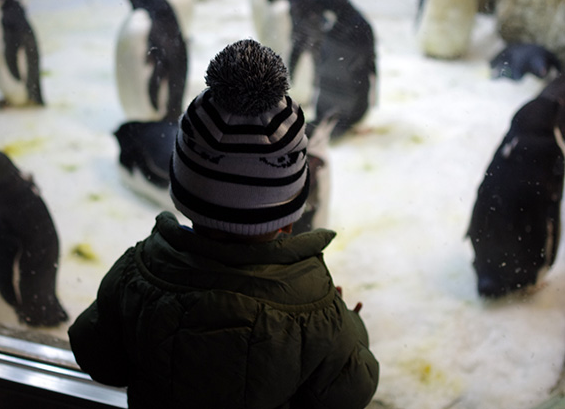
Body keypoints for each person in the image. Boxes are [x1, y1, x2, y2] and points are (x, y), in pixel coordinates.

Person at [68, 39, 379, 408]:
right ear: (292, 213)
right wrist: (346, 323)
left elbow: (97, 356)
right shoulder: (314, 306)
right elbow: (352, 389)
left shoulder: (138, 275)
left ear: (182, 191)